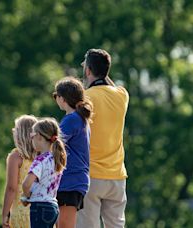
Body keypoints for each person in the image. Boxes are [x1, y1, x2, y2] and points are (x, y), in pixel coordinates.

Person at [76, 49, 129, 228]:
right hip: (117, 175)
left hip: (91, 174)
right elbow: (110, 85)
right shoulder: (122, 95)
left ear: (88, 70)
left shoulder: (84, 98)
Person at [52, 77, 92, 228]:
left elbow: (55, 144)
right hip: (73, 181)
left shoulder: (71, 119)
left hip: (70, 181)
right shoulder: (79, 118)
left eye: (56, 95)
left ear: (62, 98)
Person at [22, 118, 67, 228]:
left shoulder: (40, 160)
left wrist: (27, 196)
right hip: (53, 207)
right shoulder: (56, 159)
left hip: (40, 207)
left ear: (39, 137)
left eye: (32, 136)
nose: (31, 139)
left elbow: (26, 184)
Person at [2, 115, 38, 228]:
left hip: (21, 211)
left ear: (20, 134)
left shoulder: (16, 156)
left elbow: (11, 188)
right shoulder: (44, 155)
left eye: (15, 129)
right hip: (42, 210)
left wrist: (5, 214)